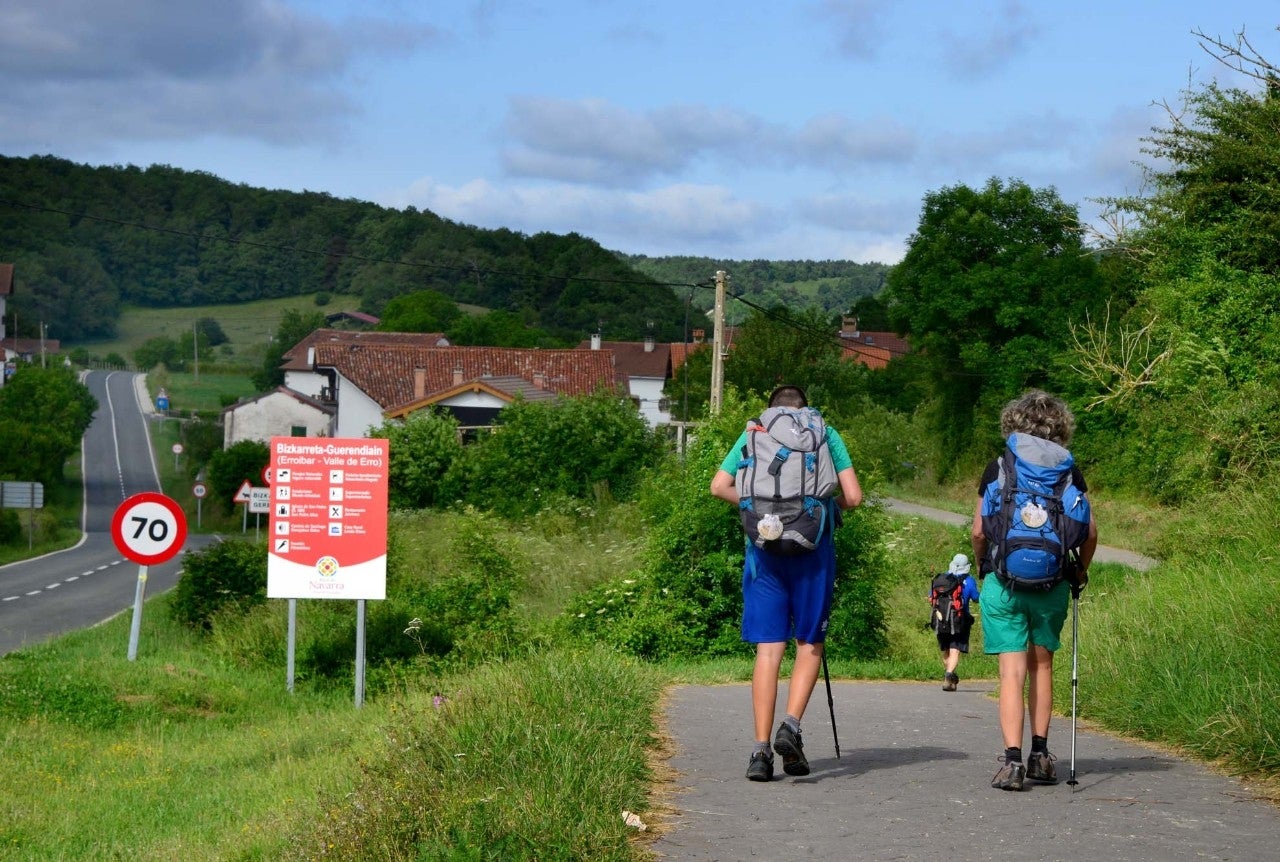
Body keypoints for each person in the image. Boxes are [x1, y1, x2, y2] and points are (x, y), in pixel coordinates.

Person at [710, 385, 864, 782]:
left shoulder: (754, 432)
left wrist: (755, 505)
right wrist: (818, 505)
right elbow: (854, 496)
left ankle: (760, 752)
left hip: (764, 551)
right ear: (805, 408)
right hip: (813, 552)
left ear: (772, 407)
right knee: (810, 642)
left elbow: (718, 486)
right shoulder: (826, 433)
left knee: (769, 649)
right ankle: (790, 726)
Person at [971, 390, 1098, 791]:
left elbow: (979, 530)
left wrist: (983, 565)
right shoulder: (1068, 471)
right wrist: (1079, 570)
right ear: (1060, 426)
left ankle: (1012, 763)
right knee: (1041, 666)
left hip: (1003, 581)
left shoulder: (1000, 466)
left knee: (1011, 672)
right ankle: (1041, 756)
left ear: (1013, 423)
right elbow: (1090, 533)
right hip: (1053, 581)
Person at [931, 553, 980, 692]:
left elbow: (931, 597)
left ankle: (950, 677)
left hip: (940, 619)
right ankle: (948, 675)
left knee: (946, 649)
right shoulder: (969, 581)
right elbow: (976, 597)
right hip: (959, 620)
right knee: (955, 650)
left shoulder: (942, 579)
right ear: (966, 567)